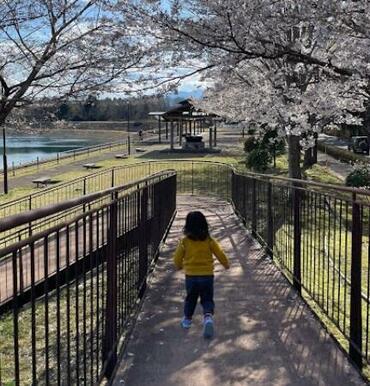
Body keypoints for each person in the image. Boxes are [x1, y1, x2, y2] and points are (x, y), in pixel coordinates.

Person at [173, 211, 230, 339]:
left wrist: (179, 266)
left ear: (187, 226)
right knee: (207, 298)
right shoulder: (209, 240)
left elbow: (177, 258)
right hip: (207, 276)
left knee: (191, 298)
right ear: (205, 225)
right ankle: (208, 317)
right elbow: (220, 253)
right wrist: (226, 265)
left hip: (191, 277)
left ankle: (187, 320)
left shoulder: (184, 242)